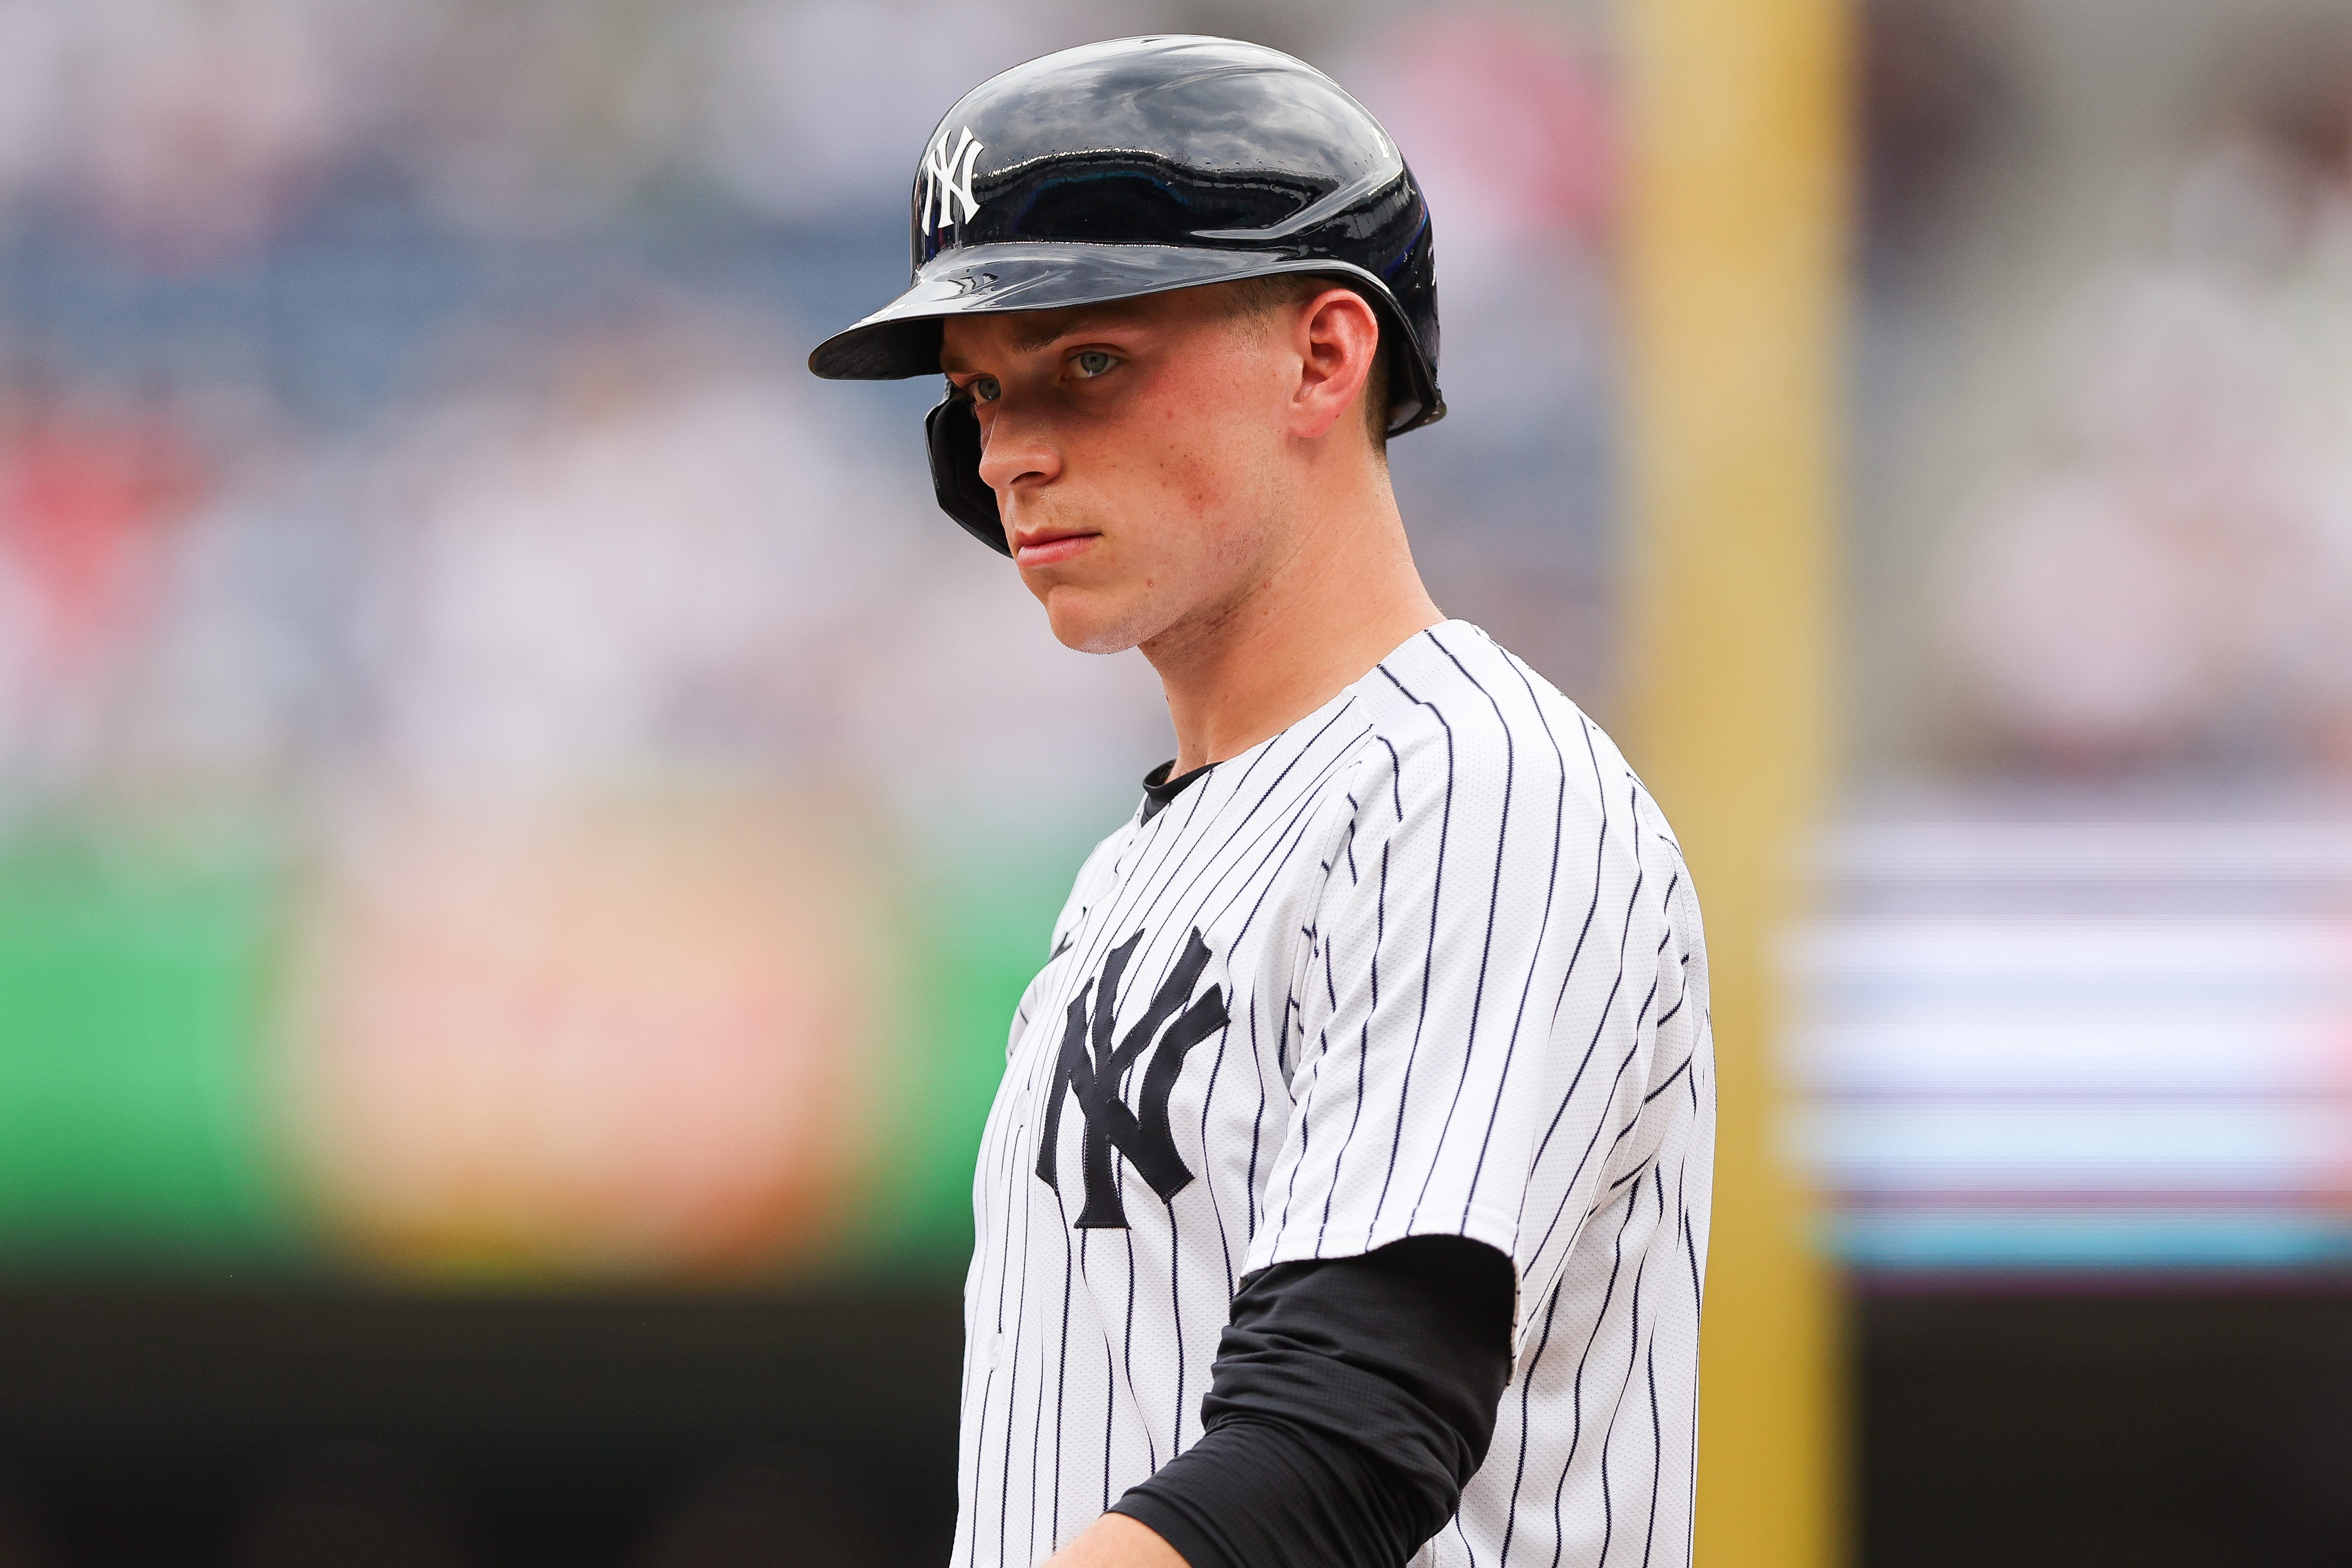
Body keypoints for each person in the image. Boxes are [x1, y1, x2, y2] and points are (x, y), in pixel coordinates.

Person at [808, 35, 1713, 1568]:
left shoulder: (1475, 784)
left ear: (1322, 356)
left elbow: (1348, 1435)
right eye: (979, 394)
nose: (1014, 452)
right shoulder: (1140, 867)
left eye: (1088, 363)